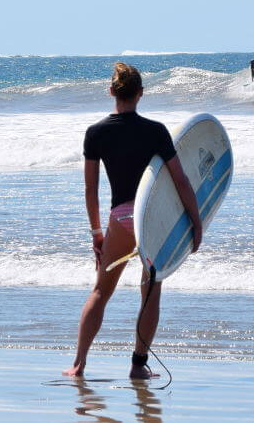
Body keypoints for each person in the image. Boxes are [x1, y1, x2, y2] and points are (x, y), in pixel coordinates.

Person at [64, 62, 203, 379]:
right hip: (153, 220)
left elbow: (91, 189)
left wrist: (97, 232)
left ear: (112, 91)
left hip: (121, 218)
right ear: (141, 94)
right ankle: (138, 366)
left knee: (101, 291)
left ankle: (79, 364)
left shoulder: (96, 132)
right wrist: (196, 222)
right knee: (151, 291)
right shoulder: (155, 131)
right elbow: (180, 181)